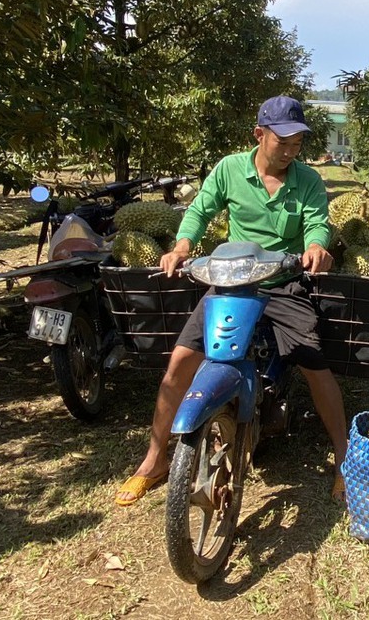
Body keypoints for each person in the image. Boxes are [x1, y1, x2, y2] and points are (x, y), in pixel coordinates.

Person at [114, 96, 348, 506]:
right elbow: (200, 211)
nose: (291, 150)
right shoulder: (229, 169)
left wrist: (315, 247)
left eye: (297, 143)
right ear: (260, 135)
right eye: (283, 141)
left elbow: (317, 223)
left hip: (284, 281)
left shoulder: (307, 180)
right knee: (179, 364)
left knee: (314, 364)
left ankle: (345, 458)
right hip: (233, 281)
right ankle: (154, 460)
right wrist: (182, 246)